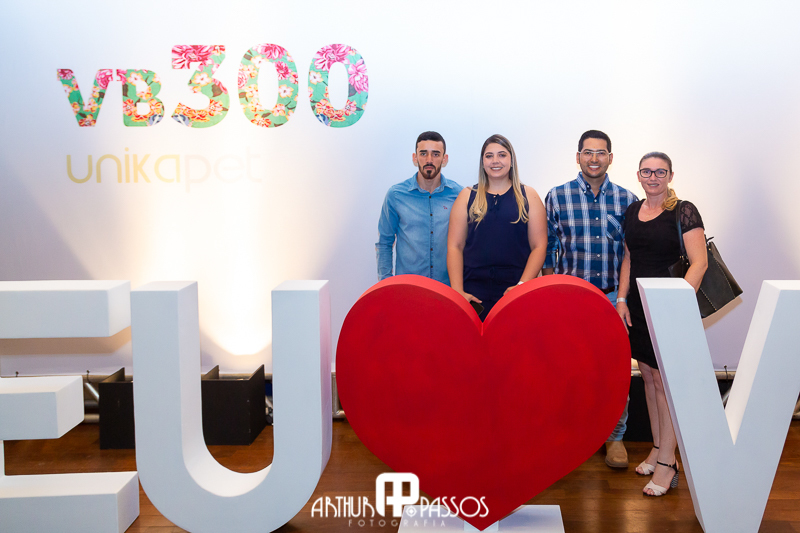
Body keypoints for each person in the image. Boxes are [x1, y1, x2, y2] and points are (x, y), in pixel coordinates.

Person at [542, 130, 638, 469]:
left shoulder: (627, 199)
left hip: (612, 298)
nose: (593, 159)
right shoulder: (557, 196)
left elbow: (629, 254)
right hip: (571, 300)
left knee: (614, 373)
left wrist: (622, 297)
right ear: (578, 157)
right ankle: (570, 437)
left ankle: (615, 437)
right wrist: (552, 293)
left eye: (600, 153)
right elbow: (548, 249)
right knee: (567, 371)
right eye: (587, 152)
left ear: (610, 158)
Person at [616, 152, 707, 496]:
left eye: (660, 172)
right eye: (647, 171)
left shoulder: (683, 210)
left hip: (670, 307)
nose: (653, 177)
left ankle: (669, 463)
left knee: (666, 384)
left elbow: (699, 263)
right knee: (650, 377)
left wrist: (677, 305)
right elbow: (629, 258)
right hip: (639, 307)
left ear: (670, 175)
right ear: (638, 175)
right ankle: (657, 448)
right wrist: (622, 299)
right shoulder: (632, 211)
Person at [446, 134, 547, 320]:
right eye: (489, 156)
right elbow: (455, 246)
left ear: (511, 160)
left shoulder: (529, 196)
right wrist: (458, 291)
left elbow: (539, 246)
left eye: (502, 155)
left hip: (515, 291)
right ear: (482, 162)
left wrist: (522, 285)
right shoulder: (466, 196)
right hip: (473, 294)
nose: (495, 161)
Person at [377, 131, 463, 285]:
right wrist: (385, 284)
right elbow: (385, 242)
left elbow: (466, 244)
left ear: (444, 159)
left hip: (447, 289)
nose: (429, 160)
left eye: (435, 154)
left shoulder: (458, 195)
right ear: (415, 158)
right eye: (423, 154)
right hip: (408, 288)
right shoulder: (396, 195)